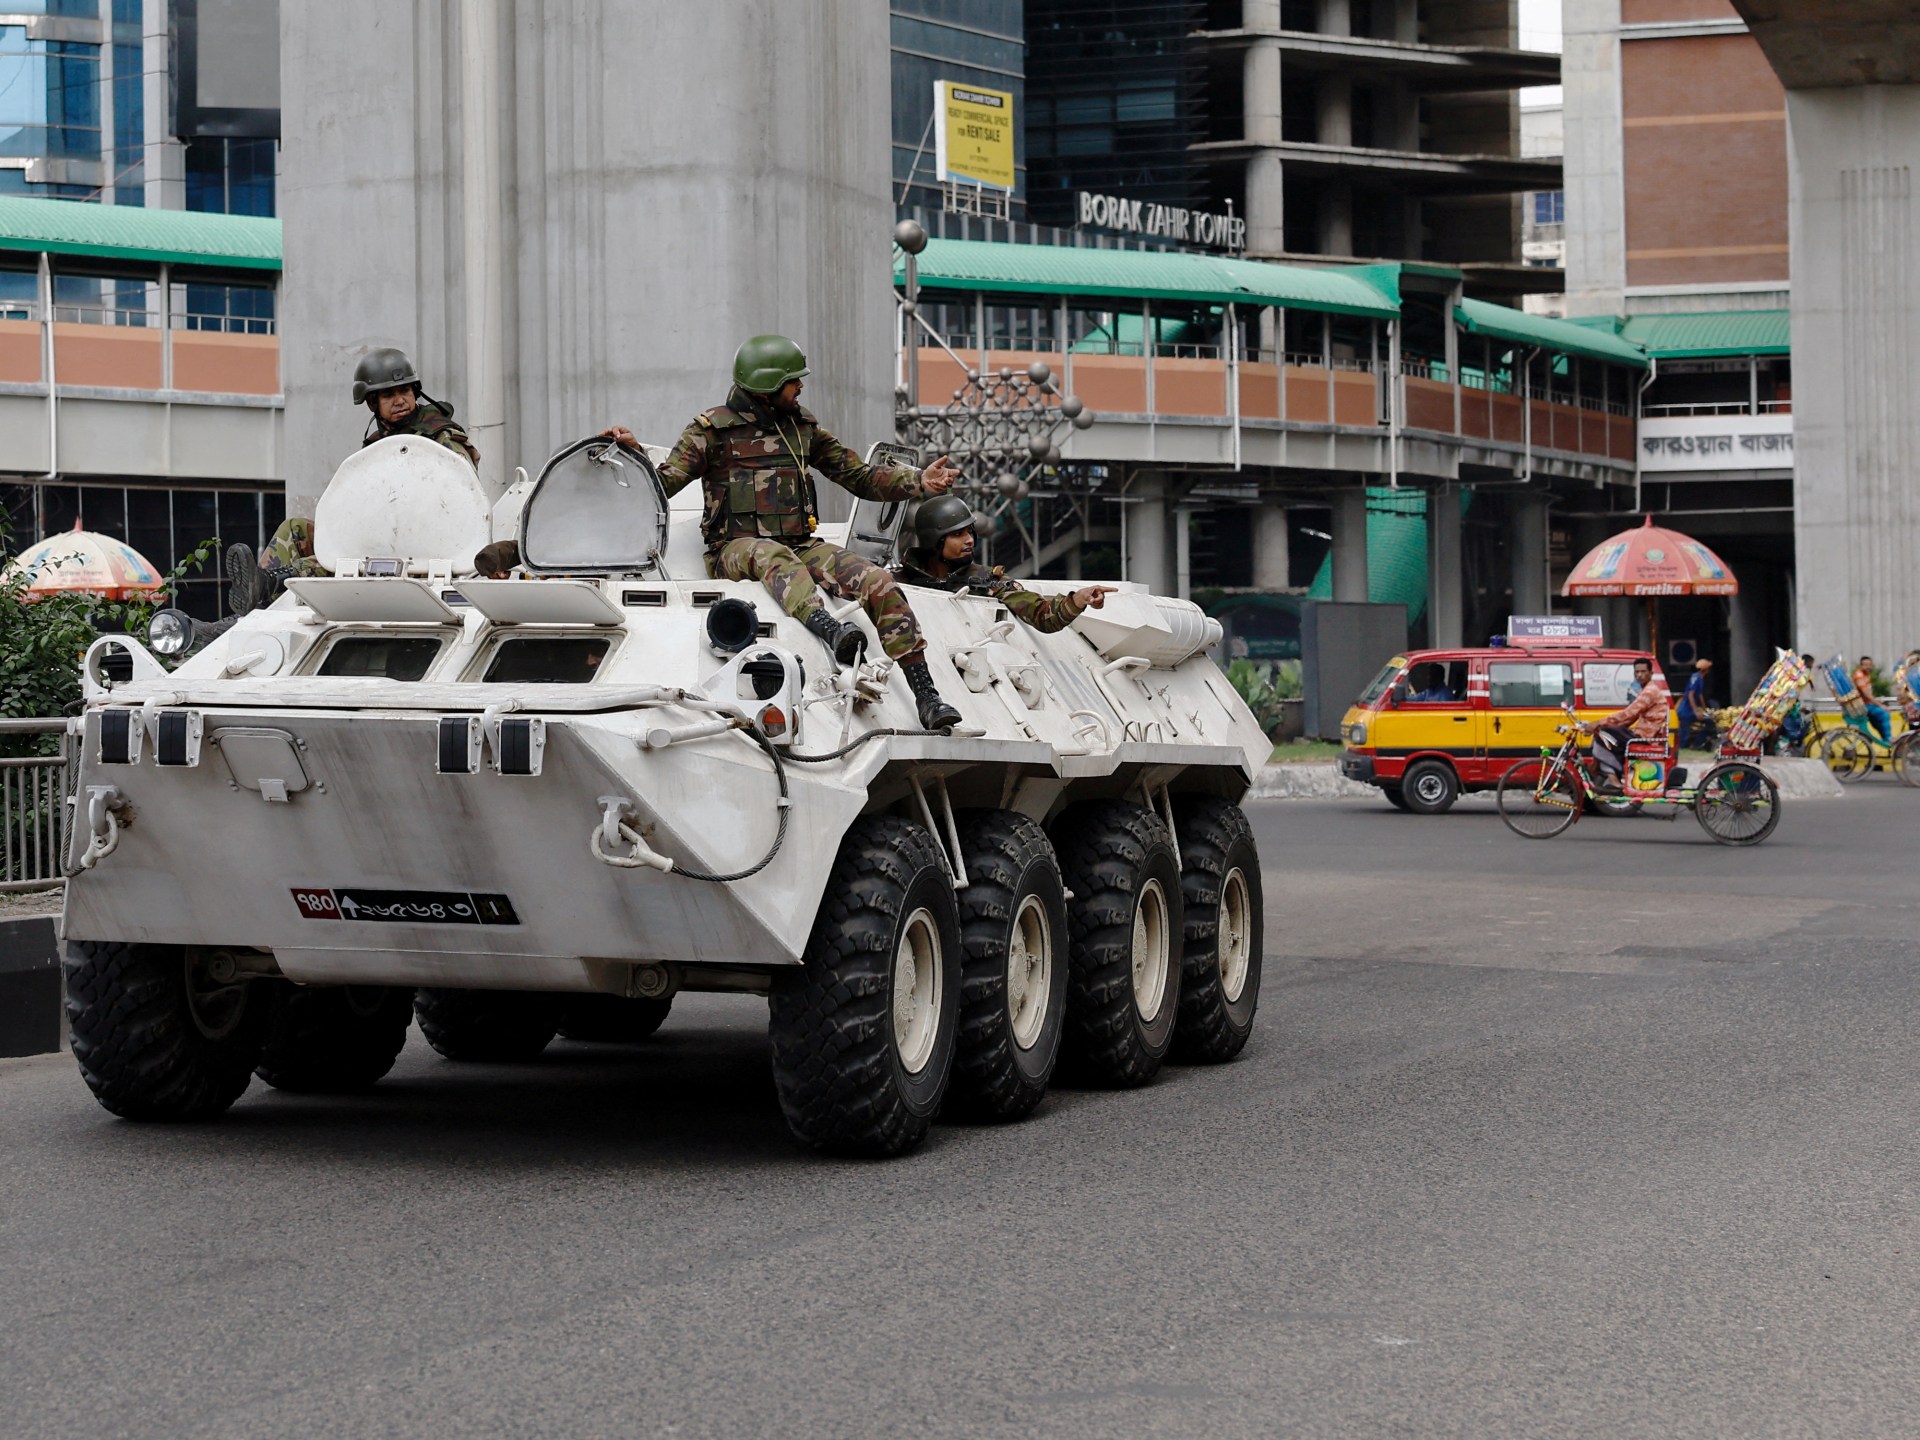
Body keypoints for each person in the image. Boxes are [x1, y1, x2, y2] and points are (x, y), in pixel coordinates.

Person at [601, 334, 966, 731]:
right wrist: (635, 456)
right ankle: (828, 628)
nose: (801, 387)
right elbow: (663, 485)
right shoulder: (710, 431)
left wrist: (918, 482)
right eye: (794, 381)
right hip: (734, 549)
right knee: (771, 555)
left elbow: (859, 476)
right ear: (767, 388)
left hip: (800, 544)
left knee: (877, 581)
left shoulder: (802, 429)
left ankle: (927, 695)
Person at [892, 495, 1114, 631]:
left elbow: (1042, 615)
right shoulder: (897, 580)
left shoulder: (988, 581)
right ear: (935, 541)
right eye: (958, 534)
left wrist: (1077, 600)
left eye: (970, 531)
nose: (969, 540)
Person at [353, 346, 479, 465]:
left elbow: (465, 485)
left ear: (415, 392)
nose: (400, 401)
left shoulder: (440, 438)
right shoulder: (374, 447)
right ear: (372, 403)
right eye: (388, 395)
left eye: (405, 390)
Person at [1581, 657, 1668, 790]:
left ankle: (1612, 778)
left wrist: (1598, 723)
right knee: (1606, 733)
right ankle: (1607, 772)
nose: (1639, 675)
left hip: (1646, 738)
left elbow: (1628, 713)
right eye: (1636, 672)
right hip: (1642, 735)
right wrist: (1609, 726)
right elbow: (1630, 718)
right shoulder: (1646, 690)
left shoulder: (1650, 692)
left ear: (1651, 673)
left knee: (1603, 734)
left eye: (1643, 671)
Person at [1853, 655, 1893, 744]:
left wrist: (1878, 702)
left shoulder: (1865, 675)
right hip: (1863, 706)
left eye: (1870, 665)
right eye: (1865, 665)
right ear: (1861, 666)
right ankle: (1888, 738)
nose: (1868, 667)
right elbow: (1867, 696)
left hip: (1866, 704)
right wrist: (1880, 705)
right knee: (1884, 713)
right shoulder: (1859, 676)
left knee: (1878, 719)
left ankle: (1885, 737)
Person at [1676, 657, 1713, 749]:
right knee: (1684, 735)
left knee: (1710, 723)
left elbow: (1700, 695)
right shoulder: (1696, 678)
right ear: (1706, 669)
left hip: (1689, 711)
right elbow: (1690, 695)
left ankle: (1695, 744)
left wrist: (1705, 709)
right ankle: (1684, 749)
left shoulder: (1700, 678)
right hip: (1686, 711)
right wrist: (1696, 711)